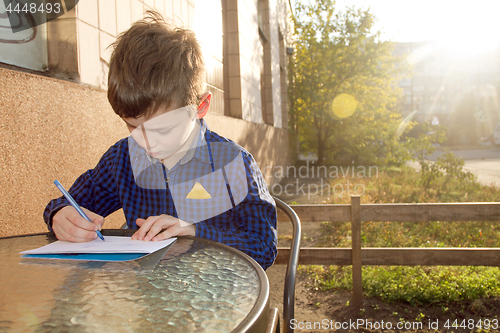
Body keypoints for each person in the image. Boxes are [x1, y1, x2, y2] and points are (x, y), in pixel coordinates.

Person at [43, 12, 277, 270]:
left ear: (200, 107)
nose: (146, 143)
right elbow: (71, 203)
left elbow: (263, 247)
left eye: (163, 130)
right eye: (132, 126)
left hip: (218, 301)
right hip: (149, 299)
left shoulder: (233, 163)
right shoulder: (123, 158)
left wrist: (195, 232)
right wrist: (60, 215)